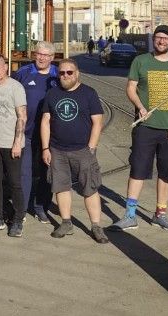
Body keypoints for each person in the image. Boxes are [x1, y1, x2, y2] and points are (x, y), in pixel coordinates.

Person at [110, 24, 168, 231]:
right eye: (158, 37)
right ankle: (130, 215)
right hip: (146, 126)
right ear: (153, 40)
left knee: (166, 173)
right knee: (138, 170)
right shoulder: (141, 61)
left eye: (166, 39)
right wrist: (140, 107)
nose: (162, 41)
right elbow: (130, 88)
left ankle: (160, 214)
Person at [40, 59, 109, 244]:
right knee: (61, 187)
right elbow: (45, 121)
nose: (65, 76)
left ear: (77, 73)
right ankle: (66, 223)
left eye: (69, 72)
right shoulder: (52, 94)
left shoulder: (89, 93)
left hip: (83, 150)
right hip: (57, 150)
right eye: (61, 73)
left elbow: (97, 122)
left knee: (90, 188)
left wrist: (92, 147)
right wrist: (45, 148)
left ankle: (96, 226)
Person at [11, 41, 59, 223]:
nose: (42, 58)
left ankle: (41, 206)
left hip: (50, 135)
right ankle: (21, 210)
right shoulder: (23, 73)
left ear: (52, 57)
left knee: (47, 171)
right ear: (34, 54)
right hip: (26, 132)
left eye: (46, 55)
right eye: (39, 54)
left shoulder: (58, 75)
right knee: (25, 172)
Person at [0, 53, 28, 238]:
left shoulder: (16, 87)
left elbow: (22, 116)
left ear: (5, 68)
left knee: (14, 183)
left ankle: (18, 219)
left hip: (11, 143)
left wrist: (17, 142)